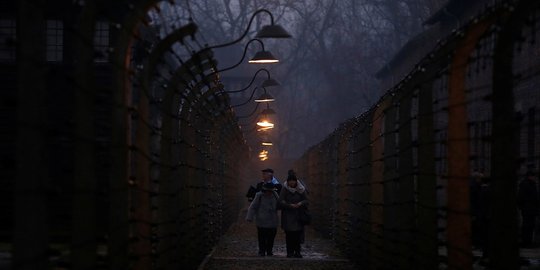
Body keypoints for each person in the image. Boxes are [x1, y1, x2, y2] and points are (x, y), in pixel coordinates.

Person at [279, 170, 308, 258]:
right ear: (288, 182)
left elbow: (306, 200)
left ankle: (297, 252)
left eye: (293, 181)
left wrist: (300, 204)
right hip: (288, 215)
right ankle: (290, 252)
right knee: (289, 235)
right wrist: (289, 205)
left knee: (297, 235)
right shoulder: (284, 189)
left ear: (296, 181)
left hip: (298, 215)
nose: (292, 182)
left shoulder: (301, 189)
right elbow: (281, 200)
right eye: (290, 181)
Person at [245, 182, 280, 256]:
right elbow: (253, 206)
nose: (269, 192)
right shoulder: (259, 195)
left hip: (273, 220)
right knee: (262, 237)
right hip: (262, 220)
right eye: (268, 191)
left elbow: (280, 204)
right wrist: (249, 217)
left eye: (271, 191)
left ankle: (269, 251)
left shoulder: (275, 195)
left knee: (271, 237)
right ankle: (262, 251)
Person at [518, 171, 539, 248]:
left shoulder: (527, 184)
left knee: (529, 225)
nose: (535, 178)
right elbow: (521, 197)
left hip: (529, 208)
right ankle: (527, 241)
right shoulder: (527, 184)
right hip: (528, 208)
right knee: (528, 225)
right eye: (534, 176)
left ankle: (527, 241)